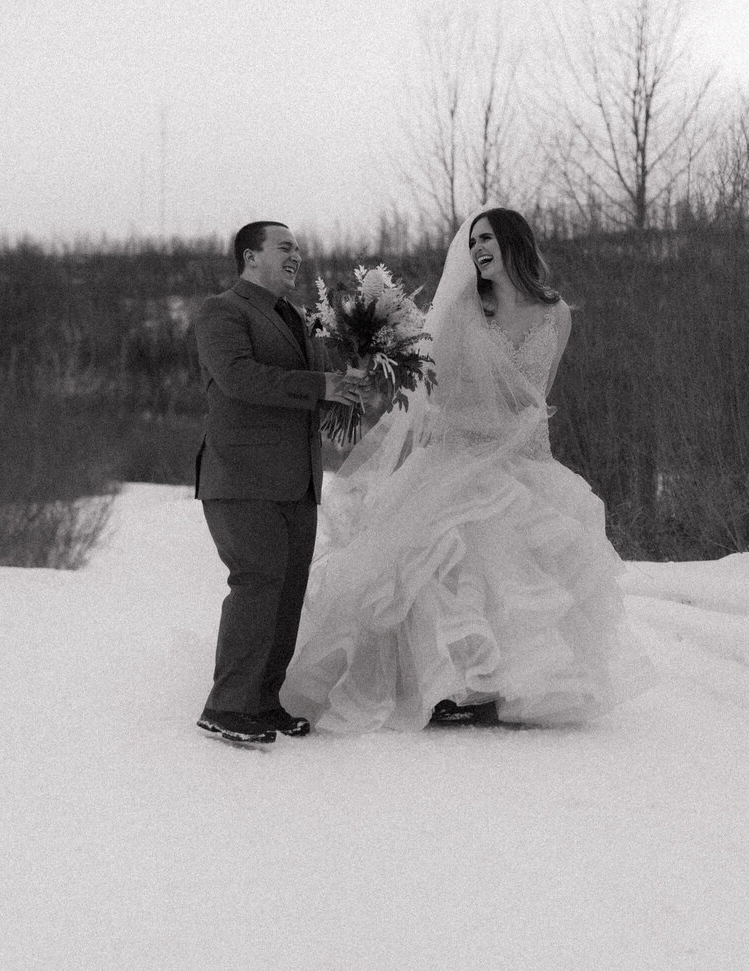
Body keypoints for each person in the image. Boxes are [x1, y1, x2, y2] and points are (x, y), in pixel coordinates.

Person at [286, 208, 655, 732]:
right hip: (461, 451)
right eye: (473, 242)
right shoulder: (463, 311)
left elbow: (538, 394)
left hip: (525, 457)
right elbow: (439, 395)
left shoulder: (557, 314)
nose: (478, 249)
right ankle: (452, 685)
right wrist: (479, 429)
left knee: (526, 558)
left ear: (514, 243)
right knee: (457, 551)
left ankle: (516, 684)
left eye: (488, 239)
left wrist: (518, 439)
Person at [193, 220, 369, 744]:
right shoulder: (222, 310)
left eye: (298, 249)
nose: (296, 256)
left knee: (287, 592)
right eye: (285, 247)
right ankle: (226, 707)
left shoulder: (297, 318)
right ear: (251, 256)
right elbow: (239, 378)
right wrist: (321, 385)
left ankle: (263, 702)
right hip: (242, 477)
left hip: (298, 480)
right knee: (256, 582)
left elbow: (309, 392)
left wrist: (347, 386)